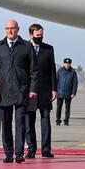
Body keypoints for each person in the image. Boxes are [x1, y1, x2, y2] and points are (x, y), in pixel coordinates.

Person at [0, 19, 38, 164]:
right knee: (6, 124)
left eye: (12, 28)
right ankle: (8, 153)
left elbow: (34, 70)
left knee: (20, 123)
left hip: (22, 91)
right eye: (7, 28)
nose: (10, 31)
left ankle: (19, 153)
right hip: (3, 92)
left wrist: (33, 89)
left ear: (18, 29)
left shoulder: (27, 46)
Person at [25, 24, 57, 159]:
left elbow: (52, 71)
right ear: (31, 35)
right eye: (38, 35)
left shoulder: (48, 49)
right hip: (29, 91)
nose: (40, 37)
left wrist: (54, 89)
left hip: (45, 90)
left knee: (45, 121)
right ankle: (31, 149)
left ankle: (46, 149)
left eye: (42, 35)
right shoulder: (23, 48)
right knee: (29, 122)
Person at [56, 58, 78, 126]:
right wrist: (54, 91)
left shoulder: (73, 72)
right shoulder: (60, 71)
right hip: (60, 92)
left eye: (68, 63)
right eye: (66, 63)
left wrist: (73, 93)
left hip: (68, 93)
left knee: (67, 108)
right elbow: (56, 81)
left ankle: (66, 120)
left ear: (70, 64)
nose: (67, 65)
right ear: (64, 63)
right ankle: (58, 120)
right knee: (59, 107)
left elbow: (75, 83)